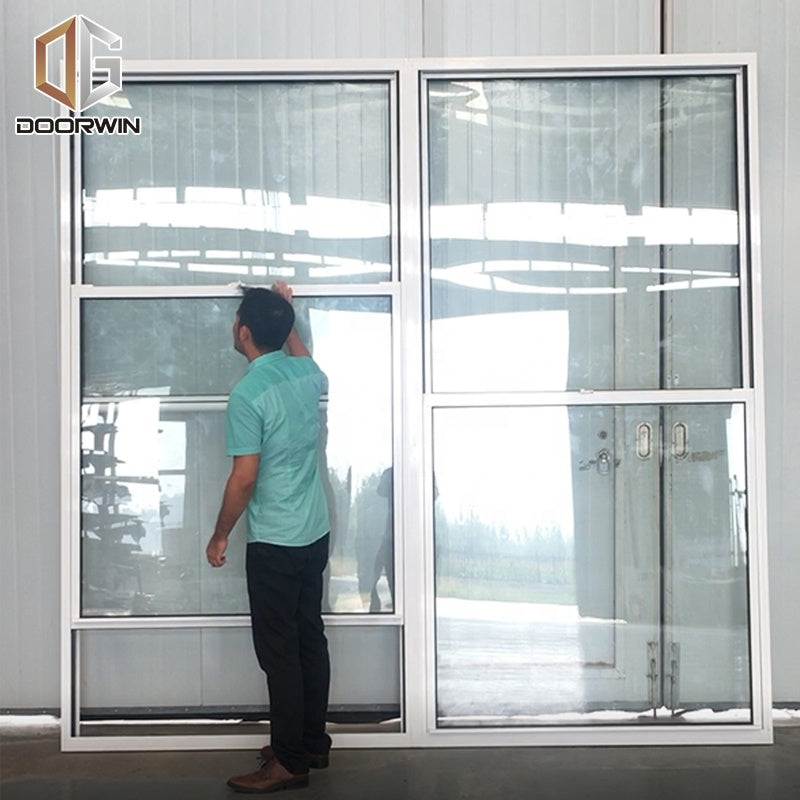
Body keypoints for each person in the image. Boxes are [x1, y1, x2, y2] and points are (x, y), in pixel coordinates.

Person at [206, 282, 331, 793]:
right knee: (308, 639)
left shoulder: (248, 394)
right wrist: (288, 313)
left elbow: (244, 479)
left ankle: (288, 762)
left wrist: (220, 535)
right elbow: (300, 353)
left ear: (244, 332)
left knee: (280, 652)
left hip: (276, 543)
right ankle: (310, 744)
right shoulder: (306, 375)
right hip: (313, 533)